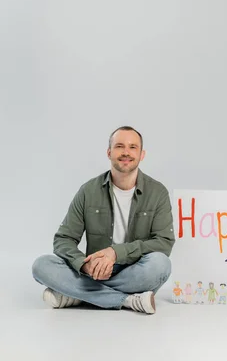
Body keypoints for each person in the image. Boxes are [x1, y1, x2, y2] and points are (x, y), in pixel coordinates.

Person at [31, 126, 175, 314]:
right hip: (93, 272)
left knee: (160, 265)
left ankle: (75, 295)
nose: (126, 152)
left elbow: (163, 243)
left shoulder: (158, 192)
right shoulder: (88, 191)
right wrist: (84, 264)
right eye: (119, 146)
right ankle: (128, 300)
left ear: (142, 154)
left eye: (133, 147)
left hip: (134, 271)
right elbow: (63, 239)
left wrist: (115, 253)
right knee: (42, 266)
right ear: (109, 152)